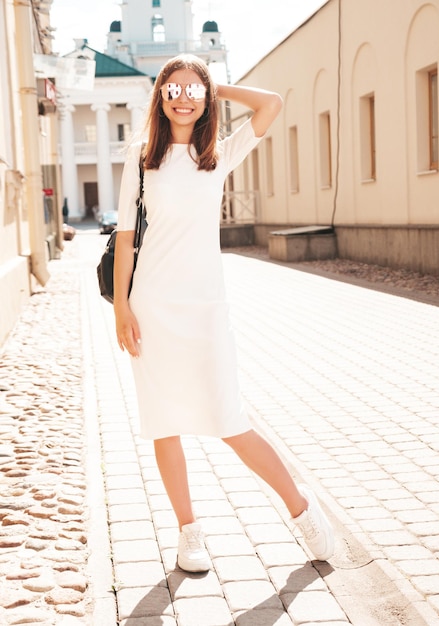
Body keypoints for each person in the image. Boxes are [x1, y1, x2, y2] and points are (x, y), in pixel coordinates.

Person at [113, 54, 334, 573]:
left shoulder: (219, 154)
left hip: (205, 306)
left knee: (230, 419)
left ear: (205, 97)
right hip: (151, 305)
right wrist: (121, 304)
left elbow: (272, 104)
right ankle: (189, 534)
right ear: (159, 98)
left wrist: (212, 85)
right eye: (173, 89)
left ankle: (302, 511)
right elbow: (125, 235)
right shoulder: (141, 156)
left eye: (193, 90)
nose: (183, 97)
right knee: (163, 422)